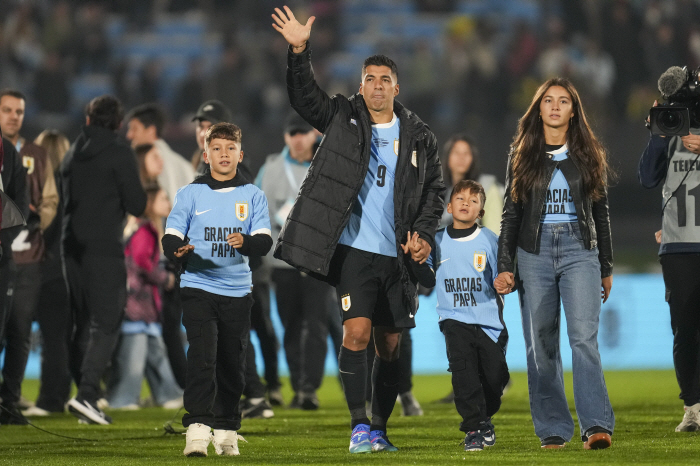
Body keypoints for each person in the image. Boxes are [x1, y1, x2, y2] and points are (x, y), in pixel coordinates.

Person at [272, 6, 444, 453]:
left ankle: (381, 427)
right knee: (356, 334)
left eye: (385, 79)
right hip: (353, 253)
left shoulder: (420, 136)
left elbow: (434, 190)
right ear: (361, 85)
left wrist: (423, 234)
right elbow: (304, 98)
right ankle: (358, 427)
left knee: (389, 344)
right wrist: (298, 50)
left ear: (397, 87)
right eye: (370, 78)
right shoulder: (343, 117)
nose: (377, 86)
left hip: (398, 256)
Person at [495, 77, 614, 450]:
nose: (556, 106)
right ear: (539, 108)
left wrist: (606, 266)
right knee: (540, 345)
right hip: (534, 252)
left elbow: (600, 211)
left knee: (583, 340)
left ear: (573, 110)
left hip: (581, 250)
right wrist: (504, 264)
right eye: (549, 100)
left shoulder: (589, 152)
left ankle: (596, 425)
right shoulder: (523, 152)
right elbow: (511, 215)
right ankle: (553, 428)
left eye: (563, 101)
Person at [161, 122, 272, 457]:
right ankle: (196, 428)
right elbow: (171, 235)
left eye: (230, 148)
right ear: (206, 154)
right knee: (202, 356)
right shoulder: (189, 193)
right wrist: (175, 251)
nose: (224, 154)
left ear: (241, 153)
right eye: (217, 148)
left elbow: (265, 240)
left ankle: (226, 429)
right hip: (198, 286)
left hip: (238, 292)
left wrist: (247, 242)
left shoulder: (253, 195)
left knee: (231, 361)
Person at [63, 95, 147, 425]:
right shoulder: (119, 152)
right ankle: (86, 395)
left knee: (81, 323)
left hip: (70, 248)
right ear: (119, 124)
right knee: (107, 320)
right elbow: (138, 204)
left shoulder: (72, 153)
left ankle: (86, 397)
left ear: (87, 120)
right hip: (103, 248)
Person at [191, 99, 276, 418]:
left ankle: (254, 393)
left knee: (237, 332)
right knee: (233, 332)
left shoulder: (237, 170)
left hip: (237, 264)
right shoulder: (205, 164)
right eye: (199, 126)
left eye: (207, 126)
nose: (200, 131)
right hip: (218, 264)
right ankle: (251, 394)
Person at [411, 179, 509, 451]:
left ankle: (484, 417)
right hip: (454, 321)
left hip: (489, 325)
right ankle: (474, 428)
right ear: (450, 207)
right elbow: (427, 280)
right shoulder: (436, 241)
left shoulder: (490, 241)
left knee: (495, 379)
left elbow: (505, 277)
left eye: (474, 200)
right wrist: (415, 259)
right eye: (461, 198)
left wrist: (507, 282)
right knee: (463, 376)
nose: (466, 203)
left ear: (481, 212)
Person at [256, 112, 335, 409]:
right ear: (285, 137)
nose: (298, 139)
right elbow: (258, 208)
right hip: (282, 261)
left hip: (317, 260)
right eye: (293, 133)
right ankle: (298, 382)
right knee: (291, 325)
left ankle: (308, 388)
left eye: (303, 133)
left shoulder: (327, 164)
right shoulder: (271, 168)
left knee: (315, 326)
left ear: (314, 134)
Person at [639, 98, 700, 432]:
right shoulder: (673, 131)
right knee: (684, 330)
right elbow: (647, 177)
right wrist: (658, 133)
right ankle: (692, 407)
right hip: (678, 246)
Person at [0, 89, 59, 423]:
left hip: (28, 257)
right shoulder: (3, 153)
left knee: (20, 331)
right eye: (7, 110)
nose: (13, 116)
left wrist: (34, 222)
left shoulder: (35, 153)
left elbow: (50, 199)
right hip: (4, 254)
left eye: (19, 111)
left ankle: (10, 400)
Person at [107, 183, 183, 410]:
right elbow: (141, 263)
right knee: (134, 353)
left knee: (154, 349)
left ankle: (168, 394)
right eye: (163, 199)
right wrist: (164, 278)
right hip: (137, 302)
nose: (168, 204)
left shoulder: (140, 227)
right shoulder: (145, 229)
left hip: (142, 303)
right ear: (150, 204)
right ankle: (123, 399)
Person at [28, 130, 73, 416]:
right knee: (65, 338)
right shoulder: (76, 185)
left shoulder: (41, 190)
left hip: (46, 269)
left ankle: (49, 400)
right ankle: (62, 395)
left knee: (51, 339)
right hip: (72, 271)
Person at [0, 130, 29, 424]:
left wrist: (3, 242)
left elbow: (20, 206)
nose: (13, 116)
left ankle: (7, 403)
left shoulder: (9, 153)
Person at [125, 103, 195, 203]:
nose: (129, 135)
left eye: (134, 129)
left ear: (151, 131)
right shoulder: (183, 164)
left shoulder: (160, 163)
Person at [440, 135, 503, 232]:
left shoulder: (487, 188)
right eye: (456, 152)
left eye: (466, 153)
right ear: (447, 157)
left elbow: (495, 233)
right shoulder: (446, 194)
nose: (461, 157)